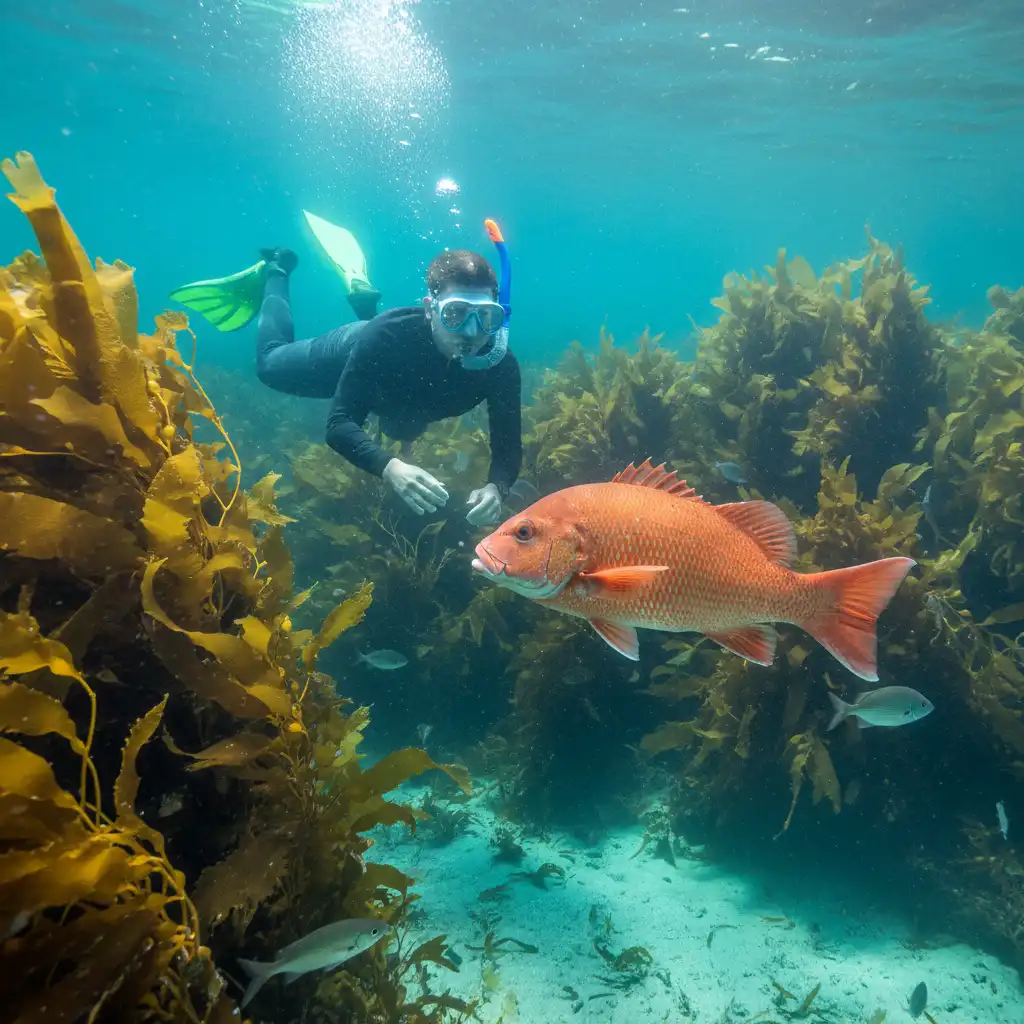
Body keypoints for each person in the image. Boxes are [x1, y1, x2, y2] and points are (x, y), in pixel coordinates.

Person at [170, 217, 522, 526]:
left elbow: (507, 446)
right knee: (268, 364)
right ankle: (277, 268)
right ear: (430, 309)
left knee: (403, 426)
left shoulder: (501, 366)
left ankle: (363, 297)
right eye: (456, 314)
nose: (473, 332)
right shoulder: (384, 336)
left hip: (404, 395)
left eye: (486, 316)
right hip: (356, 348)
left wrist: (497, 487)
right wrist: (389, 467)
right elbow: (339, 424)